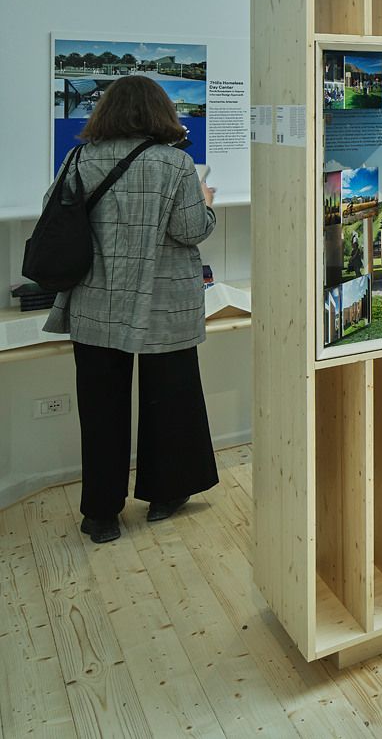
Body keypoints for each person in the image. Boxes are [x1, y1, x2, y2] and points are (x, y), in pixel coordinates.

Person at [41, 75, 220, 544]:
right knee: (172, 399)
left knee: (100, 408)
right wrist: (207, 203)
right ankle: (166, 494)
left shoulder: (78, 157)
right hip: (165, 302)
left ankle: (101, 515)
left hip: (95, 300)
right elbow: (190, 230)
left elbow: (53, 214)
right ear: (161, 113)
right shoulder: (176, 163)